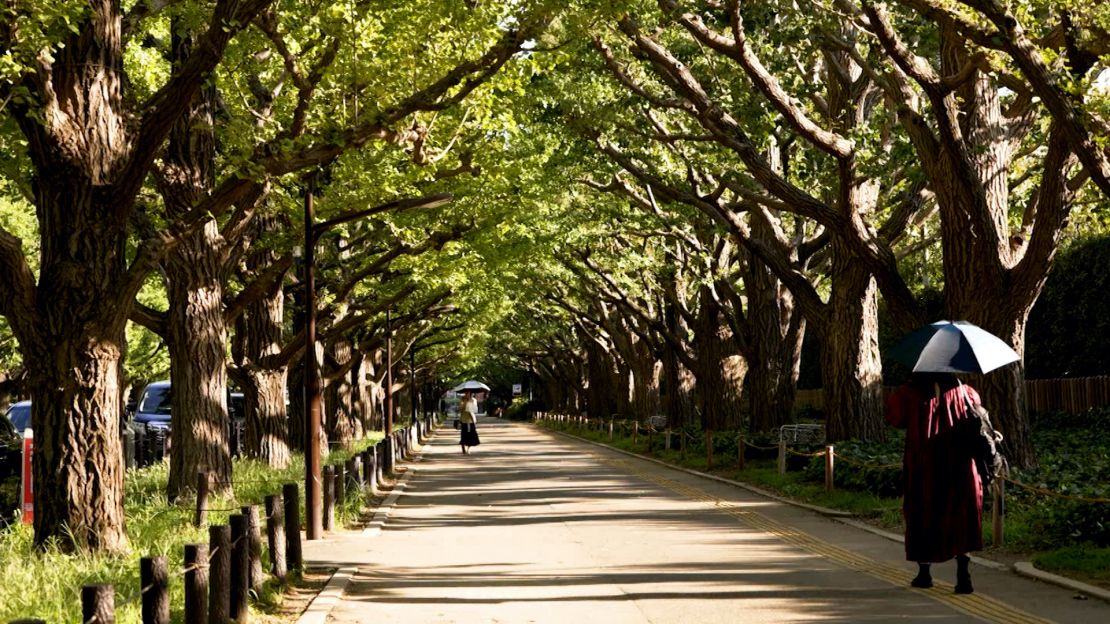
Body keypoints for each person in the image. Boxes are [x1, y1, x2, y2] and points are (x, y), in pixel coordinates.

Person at [885, 372, 984, 594]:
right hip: (961, 466)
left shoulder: (907, 394)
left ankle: (924, 573)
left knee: (923, 513)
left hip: (924, 466)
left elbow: (895, 418)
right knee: (962, 516)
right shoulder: (965, 392)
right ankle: (963, 575)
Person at [458, 389, 481, 454]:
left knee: (470, 435)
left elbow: (475, 410)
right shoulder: (462, 400)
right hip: (464, 419)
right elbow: (460, 408)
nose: (467, 394)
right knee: (463, 434)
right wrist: (463, 404)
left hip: (470, 420)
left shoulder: (473, 400)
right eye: (466, 393)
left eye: (468, 393)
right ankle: (463, 446)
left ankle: (468, 448)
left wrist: (470, 403)